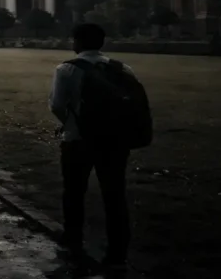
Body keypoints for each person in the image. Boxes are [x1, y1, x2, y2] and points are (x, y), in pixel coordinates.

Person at [50, 23, 149, 271]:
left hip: (78, 140)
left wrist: (71, 124)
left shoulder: (66, 69)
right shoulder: (122, 68)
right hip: (115, 141)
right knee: (114, 195)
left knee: (74, 191)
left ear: (77, 42)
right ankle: (117, 252)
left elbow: (57, 105)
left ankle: (73, 238)